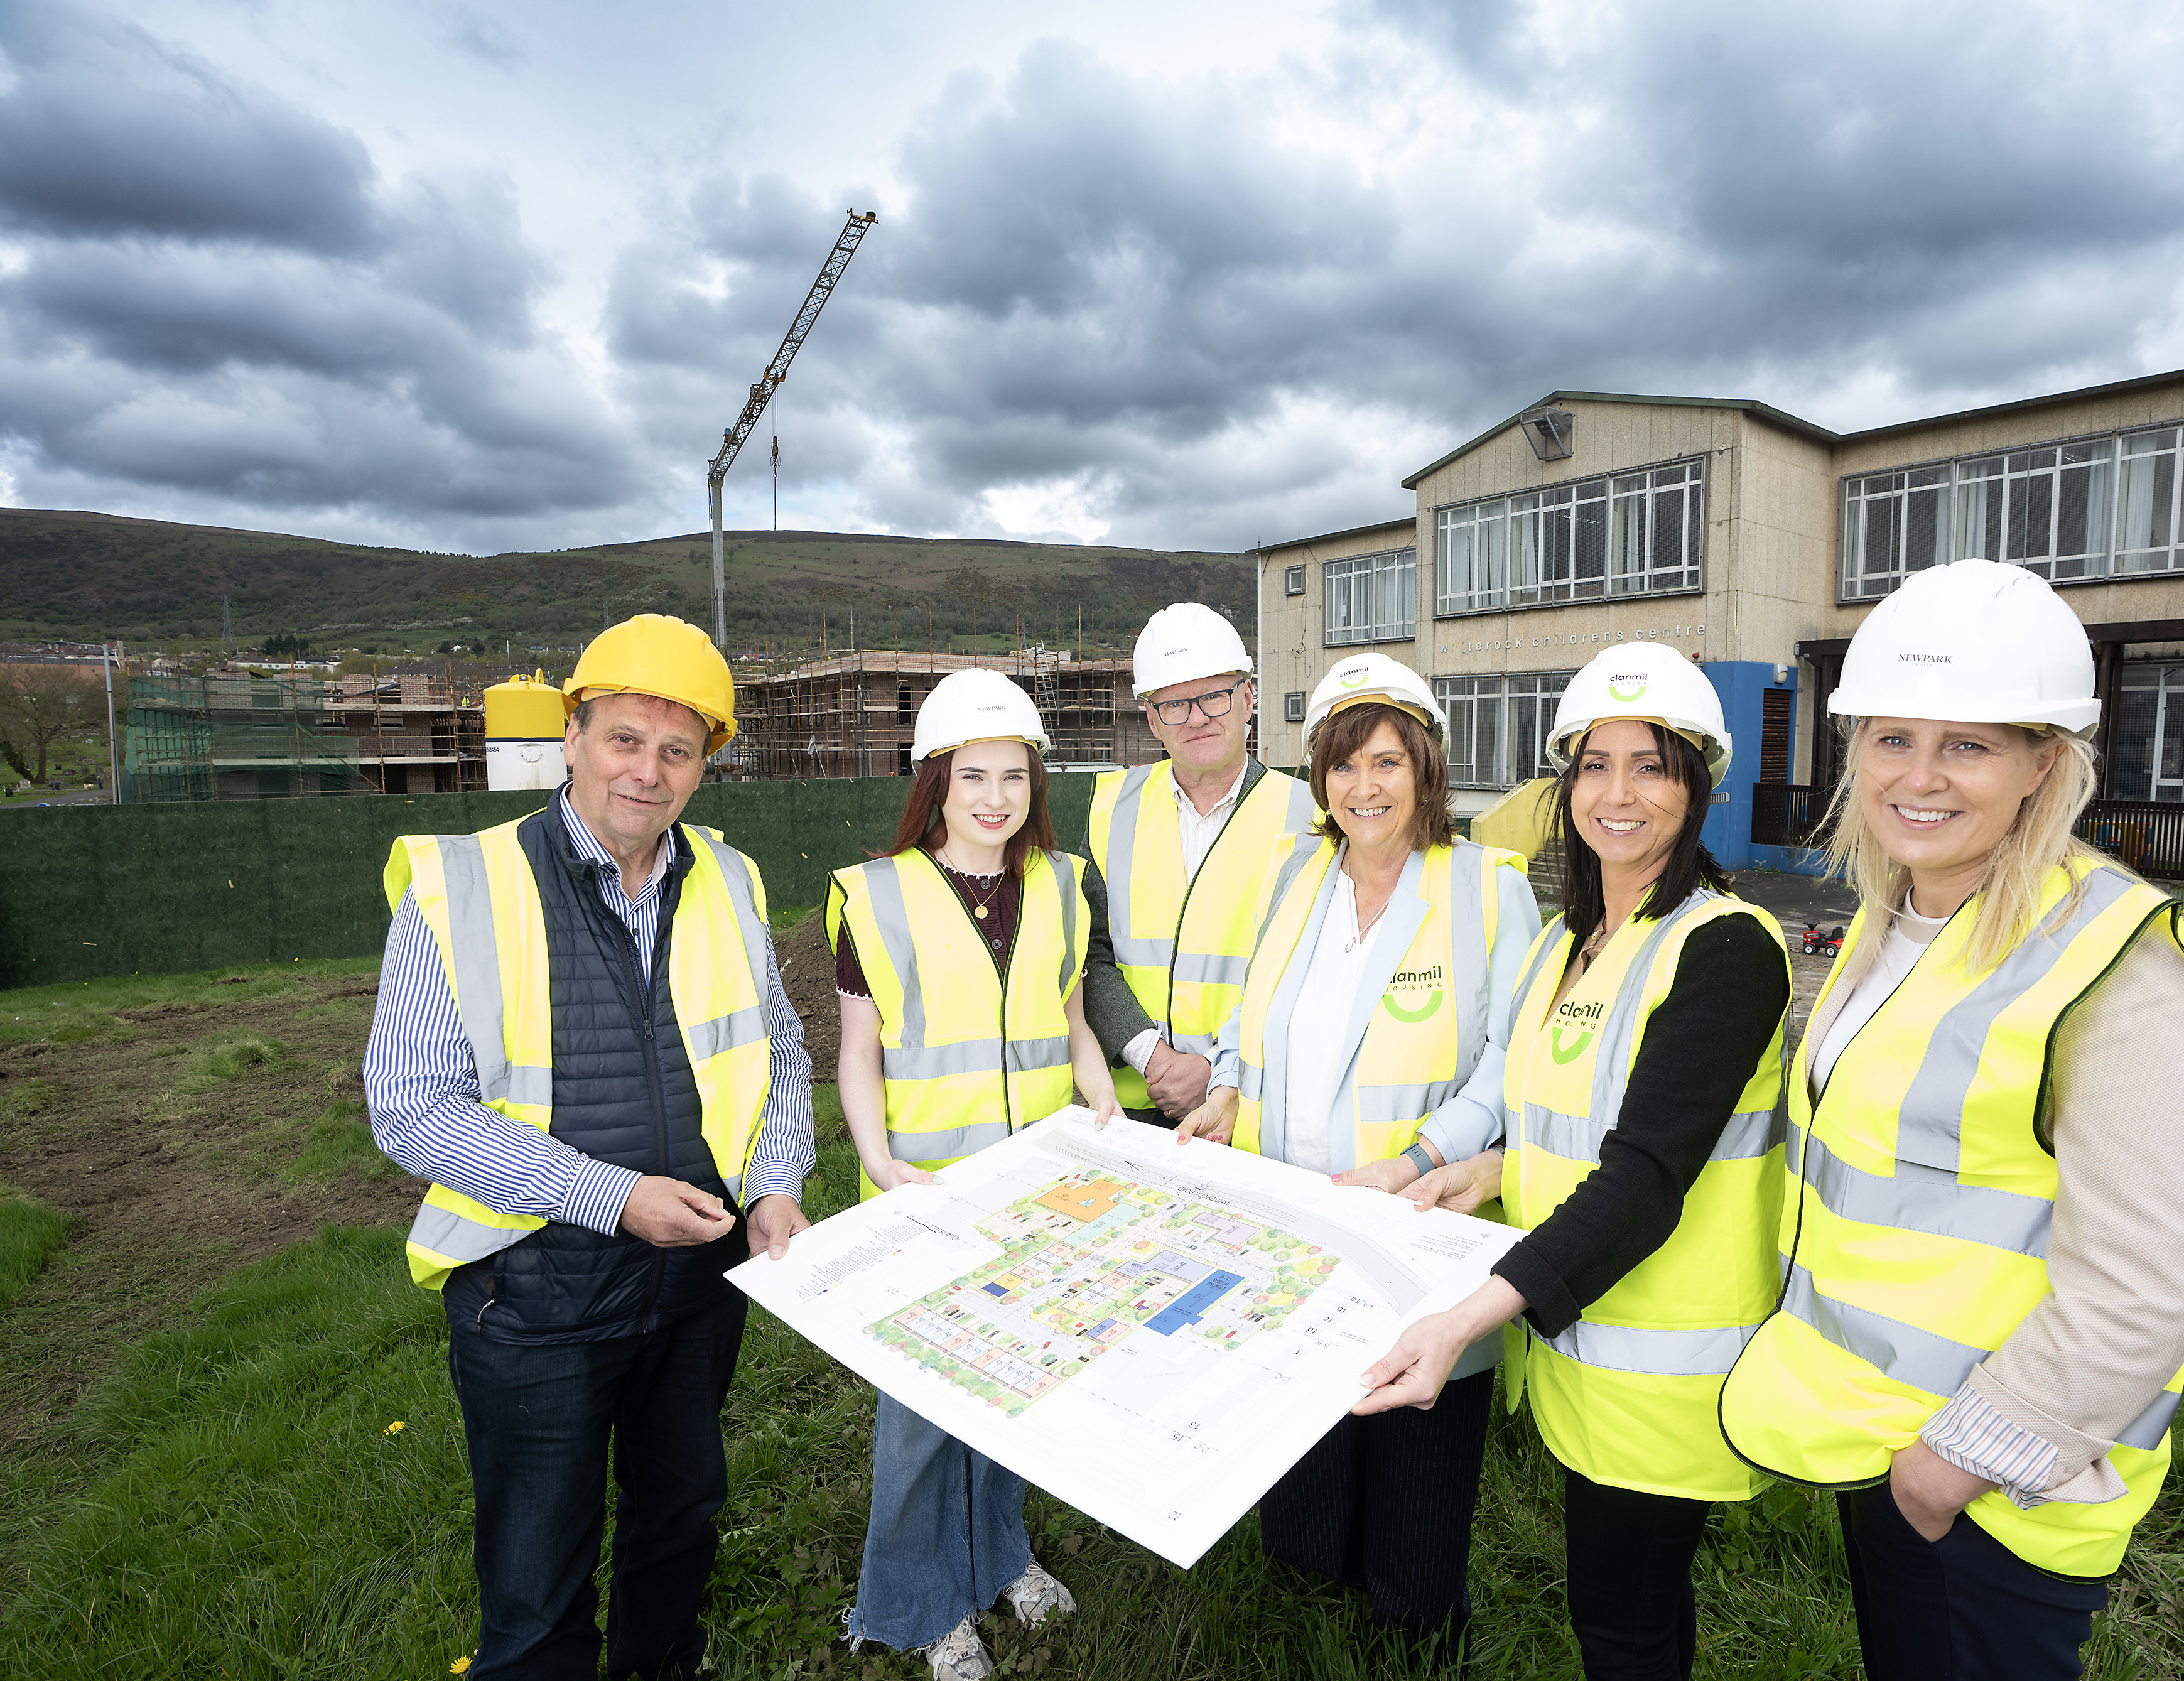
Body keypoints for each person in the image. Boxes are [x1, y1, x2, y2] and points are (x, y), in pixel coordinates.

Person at [1716, 559, 2184, 1680]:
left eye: (1968, 744)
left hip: (1995, 1482)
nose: (1920, 776)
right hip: (1886, 1438)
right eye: (1891, 738)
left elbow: (2144, 1286)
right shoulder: (1902, 913)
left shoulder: (2122, 974)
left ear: (2042, 764)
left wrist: (1953, 1463)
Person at [365, 613, 815, 1681]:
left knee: (680, 1525)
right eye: (624, 739)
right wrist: (612, 1197)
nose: (647, 773)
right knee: (536, 1578)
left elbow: (782, 1046)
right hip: (534, 1297)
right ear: (572, 735)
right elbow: (415, 1107)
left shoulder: (729, 879)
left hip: (698, 1284)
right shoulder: (460, 884)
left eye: (677, 750)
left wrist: (776, 1184)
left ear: (706, 763)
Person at [1350, 644, 1792, 1681]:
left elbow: (1646, 1174)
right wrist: (1485, 1172)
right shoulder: (1569, 941)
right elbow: (1572, 1123)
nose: (1618, 793)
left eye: (1652, 765)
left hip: (1666, 1374)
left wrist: (1466, 1316)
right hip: (1587, 1355)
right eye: (1594, 765)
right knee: (1632, 1614)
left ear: (1698, 782)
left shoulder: (1725, 949)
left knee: (1622, 1628)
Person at [1175, 651, 1540, 1659]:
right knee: (1305, 1423)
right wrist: (1228, 1087)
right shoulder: (1299, 874)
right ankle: (1311, 1574)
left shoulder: (1483, 887)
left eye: (1386, 762)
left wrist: (1427, 1153)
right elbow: (1255, 1009)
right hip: (1292, 1207)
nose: (1363, 787)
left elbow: (1517, 1055)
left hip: (1417, 1213)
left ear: (1425, 768)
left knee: (1415, 1426)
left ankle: (1416, 1623)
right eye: (1343, 765)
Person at [824, 667, 1122, 1681]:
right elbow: (857, 1047)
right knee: (917, 1425)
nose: (995, 797)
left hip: (1037, 1199)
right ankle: (917, 1607)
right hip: (925, 1197)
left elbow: (1074, 1019)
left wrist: (1105, 1103)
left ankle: (999, 1559)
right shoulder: (875, 895)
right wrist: (874, 1157)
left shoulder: (1062, 884)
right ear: (935, 783)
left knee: (1007, 1397)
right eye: (972, 776)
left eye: (1014, 776)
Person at [1084, 602, 1318, 1122]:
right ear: (1151, 718)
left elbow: (1314, 968)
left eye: (1215, 696)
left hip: (1254, 1103)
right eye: (1175, 704)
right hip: (1138, 1098)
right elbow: (1089, 954)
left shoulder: (1311, 815)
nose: (1197, 718)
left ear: (1248, 698)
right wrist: (1153, 1057)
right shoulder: (1112, 807)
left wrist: (1215, 1069)